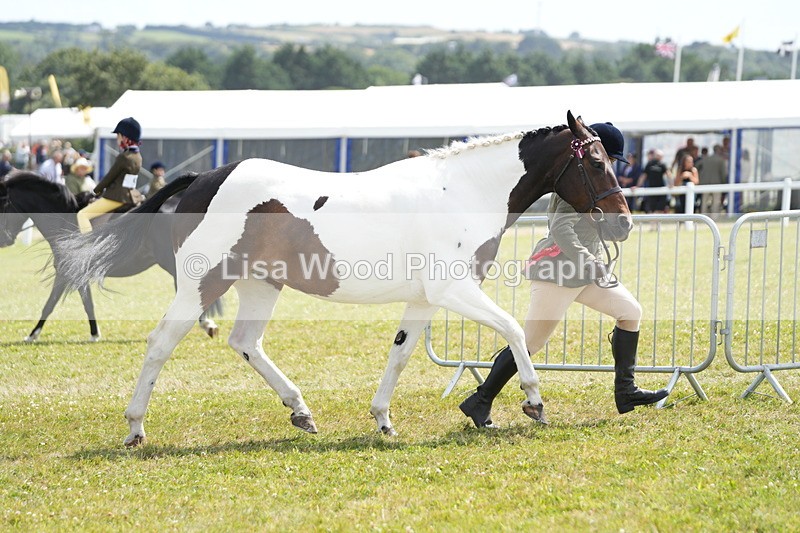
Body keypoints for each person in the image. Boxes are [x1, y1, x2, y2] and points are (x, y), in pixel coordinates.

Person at [458, 122, 669, 428]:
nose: (610, 166)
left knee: (630, 312)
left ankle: (626, 392)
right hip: (558, 271)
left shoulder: (596, 182)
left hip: (584, 274)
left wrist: (620, 224)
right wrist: (588, 260)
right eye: (609, 159)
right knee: (529, 343)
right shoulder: (576, 181)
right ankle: (480, 399)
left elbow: (600, 224)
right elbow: (561, 228)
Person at [77, 117, 143, 233]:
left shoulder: (124, 157)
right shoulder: (138, 156)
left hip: (117, 197)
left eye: (118, 136)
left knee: (82, 215)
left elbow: (109, 178)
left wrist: (95, 191)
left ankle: (87, 248)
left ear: (125, 137)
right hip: (132, 195)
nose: (117, 139)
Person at [636, 149, 671, 214]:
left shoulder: (662, 164)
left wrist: (671, 184)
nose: (658, 157)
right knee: (651, 209)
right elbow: (643, 176)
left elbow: (668, 174)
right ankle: (653, 223)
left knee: (660, 209)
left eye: (660, 156)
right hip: (651, 189)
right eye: (657, 155)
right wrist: (637, 186)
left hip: (661, 190)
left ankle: (655, 223)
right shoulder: (649, 164)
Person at [699, 144, 728, 218]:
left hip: (705, 183)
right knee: (716, 202)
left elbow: (697, 165)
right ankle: (714, 217)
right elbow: (723, 173)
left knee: (704, 201)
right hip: (717, 183)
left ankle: (703, 217)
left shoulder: (706, 158)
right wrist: (724, 183)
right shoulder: (721, 160)